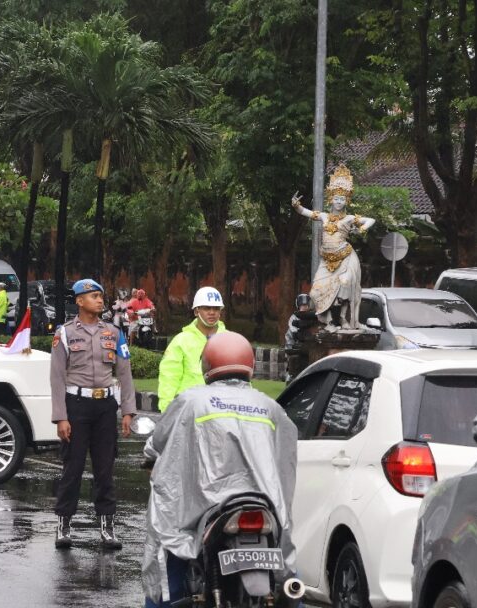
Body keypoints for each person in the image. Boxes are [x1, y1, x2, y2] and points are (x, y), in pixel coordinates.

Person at [142, 332, 298, 607]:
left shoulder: (191, 401)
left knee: (169, 543)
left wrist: (151, 457)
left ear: (207, 366)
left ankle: (165, 602)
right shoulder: (271, 408)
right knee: (290, 577)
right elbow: (287, 458)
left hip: (205, 506)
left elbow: (157, 442)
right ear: (250, 365)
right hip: (262, 504)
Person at [50, 279, 137, 550]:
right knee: (72, 468)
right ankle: (64, 525)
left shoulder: (113, 332)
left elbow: (124, 372)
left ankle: (107, 527)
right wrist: (60, 417)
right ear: (79, 301)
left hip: (104, 408)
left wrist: (128, 411)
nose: (100, 301)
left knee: (105, 469)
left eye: (101, 296)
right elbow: (56, 377)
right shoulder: (64, 333)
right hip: (76, 406)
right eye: (94, 296)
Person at [290, 165, 376, 329]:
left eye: (342, 199)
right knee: (316, 292)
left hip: (346, 258)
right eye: (336, 198)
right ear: (331, 199)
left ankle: (344, 319)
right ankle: (328, 321)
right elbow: (305, 212)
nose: (338, 202)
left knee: (344, 284)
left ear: (346, 201)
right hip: (326, 261)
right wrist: (296, 206)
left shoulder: (350, 218)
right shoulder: (324, 216)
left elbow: (371, 220)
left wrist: (362, 229)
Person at [156, 287, 227, 412]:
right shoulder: (181, 341)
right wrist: (167, 411)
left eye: (216, 308)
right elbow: (169, 378)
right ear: (196, 311)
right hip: (188, 411)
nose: (212, 312)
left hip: (222, 411)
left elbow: (242, 379)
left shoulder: (231, 340)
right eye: (206, 308)